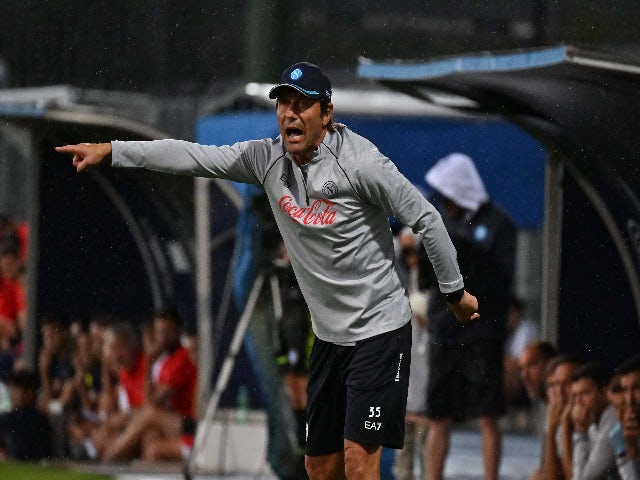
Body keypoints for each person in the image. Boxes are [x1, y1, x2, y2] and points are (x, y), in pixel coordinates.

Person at [56, 61, 479, 480]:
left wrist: (453, 292)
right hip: (331, 339)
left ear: (326, 114)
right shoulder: (266, 159)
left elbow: (426, 217)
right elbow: (192, 156)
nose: (290, 113)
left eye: (303, 105)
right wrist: (115, 151)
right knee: (319, 466)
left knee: (357, 457)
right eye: (284, 103)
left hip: (380, 332)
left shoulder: (362, 163)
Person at [422, 152, 517, 480]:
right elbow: (428, 276)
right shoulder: (440, 222)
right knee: (438, 416)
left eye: (448, 196)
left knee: (488, 415)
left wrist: (463, 252)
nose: (443, 202)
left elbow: (499, 280)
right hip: (444, 332)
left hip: (481, 333)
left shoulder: (500, 225)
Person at [393, 290, 430, 480]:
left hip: (426, 410)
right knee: (403, 459)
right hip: (406, 406)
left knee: (427, 458)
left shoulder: (432, 335)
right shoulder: (406, 333)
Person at [561, 362, 618, 480]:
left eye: (585, 393)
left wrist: (580, 431)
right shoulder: (592, 425)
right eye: (575, 396)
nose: (578, 403)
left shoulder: (613, 421)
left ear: (605, 393)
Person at [534, 353, 584, 480]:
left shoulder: (588, 418)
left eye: (567, 383)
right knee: (537, 476)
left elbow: (575, 478)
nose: (560, 391)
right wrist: (551, 432)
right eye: (554, 385)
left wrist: (565, 426)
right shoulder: (555, 412)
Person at [0, 369, 52, 460]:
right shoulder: (7, 417)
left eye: (16, 390)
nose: (12, 394)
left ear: (29, 392)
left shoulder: (37, 418)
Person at [613, 353, 640, 479]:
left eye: (637, 388)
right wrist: (631, 449)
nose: (629, 399)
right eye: (625, 390)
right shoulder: (624, 432)